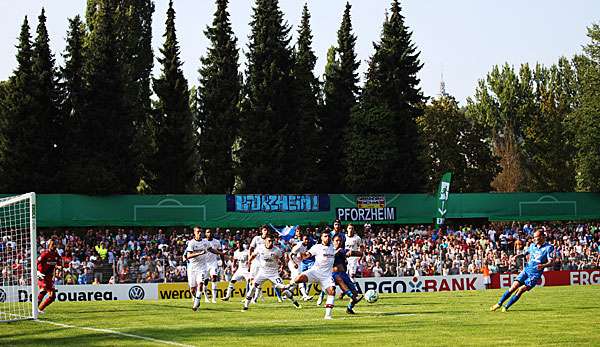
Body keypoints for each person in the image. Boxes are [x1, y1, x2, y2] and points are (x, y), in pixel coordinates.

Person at [490, 230, 555, 312]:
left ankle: (506, 307)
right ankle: (499, 304)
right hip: (526, 270)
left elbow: (551, 262)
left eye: (536, 237)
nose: (534, 239)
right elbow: (524, 254)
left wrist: (543, 265)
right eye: (534, 237)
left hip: (534, 275)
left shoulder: (549, 248)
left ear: (542, 237)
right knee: (513, 287)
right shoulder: (532, 246)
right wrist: (516, 256)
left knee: (520, 290)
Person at [284, 232, 337, 320]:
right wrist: (302, 255)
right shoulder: (317, 247)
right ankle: (288, 288)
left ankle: (328, 316)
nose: (327, 238)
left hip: (326, 276)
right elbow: (307, 255)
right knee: (298, 278)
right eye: (325, 236)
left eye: (328, 236)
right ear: (321, 238)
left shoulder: (333, 247)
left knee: (332, 291)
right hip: (315, 272)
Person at [242, 234, 297, 311]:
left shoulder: (277, 250)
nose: (270, 243)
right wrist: (249, 261)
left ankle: (294, 302)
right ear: (265, 241)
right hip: (262, 273)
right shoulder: (260, 248)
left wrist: (282, 267)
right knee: (253, 287)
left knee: (283, 290)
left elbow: (282, 260)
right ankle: (245, 306)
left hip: (273, 273)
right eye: (269, 241)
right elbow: (253, 255)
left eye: (272, 241)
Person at [332, 235, 364, 314]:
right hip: (332, 274)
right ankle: (321, 297)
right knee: (337, 284)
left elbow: (354, 253)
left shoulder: (342, 250)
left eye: (340, 241)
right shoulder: (329, 251)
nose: (338, 242)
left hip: (344, 274)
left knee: (356, 294)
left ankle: (349, 308)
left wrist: (355, 253)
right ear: (333, 242)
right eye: (336, 241)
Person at [183, 226, 208, 311]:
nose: (200, 233)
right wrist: (199, 253)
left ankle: (196, 304)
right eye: (198, 231)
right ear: (194, 232)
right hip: (192, 268)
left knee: (200, 284)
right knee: (192, 289)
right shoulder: (191, 243)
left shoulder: (205, 242)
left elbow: (211, 249)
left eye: (201, 231)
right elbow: (188, 256)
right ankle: (196, 298)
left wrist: (221, 253)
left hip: (202, 267)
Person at [37, 239, 63, 314]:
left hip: (49, 277)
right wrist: (37, 272)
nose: (54, 246)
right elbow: (36, 262)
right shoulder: (45, 254)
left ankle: (40, 309)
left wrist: (59, 268)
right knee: (44, 290)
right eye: (52, 244)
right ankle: (35, 309)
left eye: (55, 244)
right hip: (42, 275)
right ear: (49, 245)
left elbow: (58, 264)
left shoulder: (56, 254)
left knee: (52, 297)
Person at [203, 229, 226, 303]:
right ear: (205, 234)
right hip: (204, 264)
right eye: (207, 232)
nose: (209, 233)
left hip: (213, 263)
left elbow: (220, 252)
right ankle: (206, 298)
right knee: (205, 281)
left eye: (210, 232)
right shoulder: (203, 242)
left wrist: (223, 262)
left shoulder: (217, 242)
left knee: (214, 278)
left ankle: (214, 299)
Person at [290, 235, 314, 301]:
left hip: (299, 263)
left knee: (297, 280)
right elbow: (290, 255)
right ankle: (305, 295)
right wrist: (294, 263)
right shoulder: (299, 246)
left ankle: (287, 292)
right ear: (302, 239)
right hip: (293, 263)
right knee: (299, 278)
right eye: (305, 239)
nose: (307, 241)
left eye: (307, 239)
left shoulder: (306, 246)